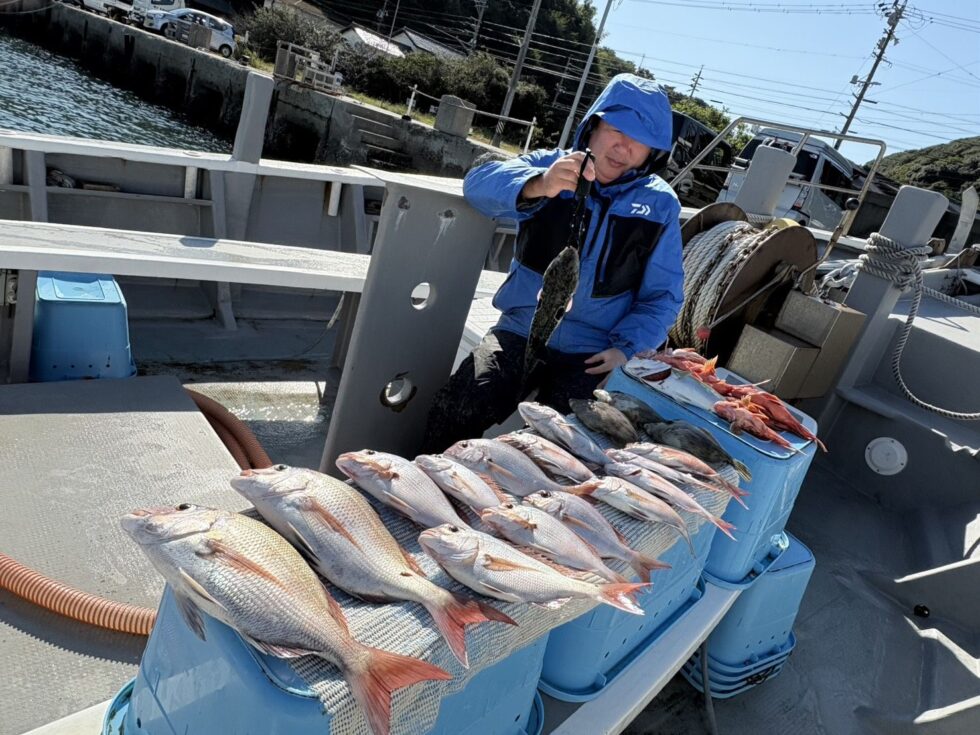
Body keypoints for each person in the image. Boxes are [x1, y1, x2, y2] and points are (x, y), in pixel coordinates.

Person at [422, 73, 684, 453]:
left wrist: (627, 348)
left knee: (572, 446)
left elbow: (663, 297)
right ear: (593, 126)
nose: (623, 147)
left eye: (640, 142)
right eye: (616, 130)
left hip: (593, 352)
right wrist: (539, 184)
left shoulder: (660, 206)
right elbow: (478, 182)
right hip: (520, 329)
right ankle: (424, 482)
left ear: (652, 153)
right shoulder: (552, 165)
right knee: (460, 402)